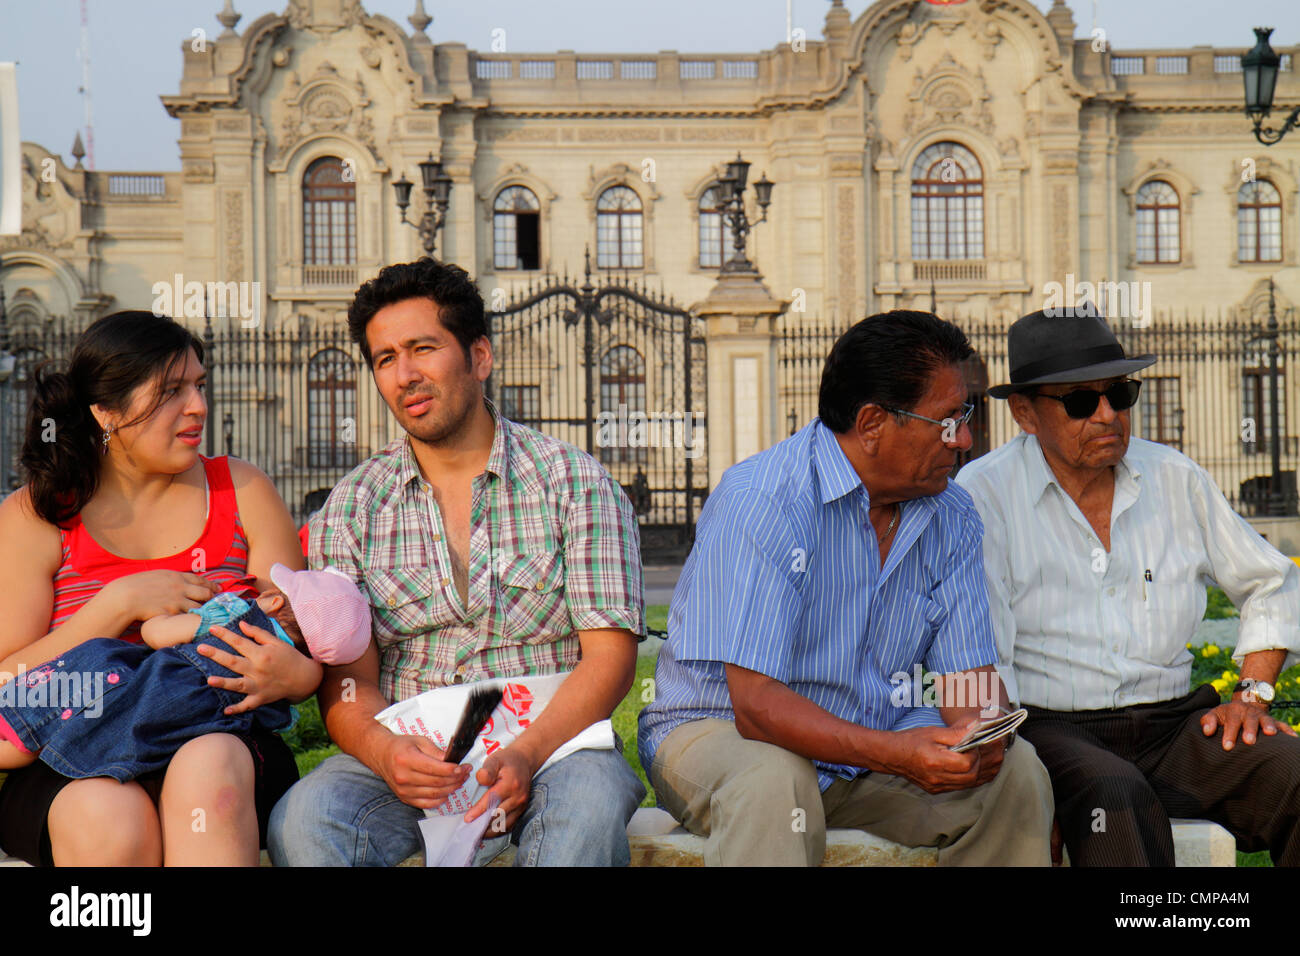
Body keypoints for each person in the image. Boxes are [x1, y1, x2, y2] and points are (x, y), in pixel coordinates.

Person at [637, 311, 1055, 866]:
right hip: (719, 731)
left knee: (1017, 775)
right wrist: (896, 754)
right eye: (948, 419)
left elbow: (965, 678)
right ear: (873, 422)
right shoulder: (764, 499)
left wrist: (981, 732)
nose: (966, 439)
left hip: (871, 747)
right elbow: (755, 707)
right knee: (775, 781)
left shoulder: (951, 513)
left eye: (967, 414)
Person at [269, 257, 647, 867]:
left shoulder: (574, 482)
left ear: (479, 356)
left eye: (423, 348)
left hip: (556, 750)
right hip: (412, 755)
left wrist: (526, 752)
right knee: (305, 818)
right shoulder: (353, 505)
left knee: (586, 814)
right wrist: (385, 751)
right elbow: (348, 683)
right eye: (386, 358)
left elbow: (610, 660)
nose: (405, 374)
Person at [956, 303, 1300, 866]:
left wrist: (1253, 693)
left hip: (1174, 728)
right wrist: (1013, 785)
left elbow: (1271, 581)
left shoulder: (1174, 476)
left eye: (1120, 394)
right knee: (1114, 798)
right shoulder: (983, 495)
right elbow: (983, 656)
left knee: (1294, 774)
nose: (1107, 414)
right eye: (1080, 401)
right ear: (1023, 413)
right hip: (1051, 734)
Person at [0, 310, 317, 867]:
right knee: (108, 818)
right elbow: (7, 681)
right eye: (171, 391)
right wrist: (116, 605)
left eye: (198, 385)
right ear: (106, 411)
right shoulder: (39, 513)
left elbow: (304, 637)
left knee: (208, 772)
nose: (198, 406)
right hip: (76, 753)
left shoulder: (242, 489)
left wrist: (298, 675)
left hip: (223, 741)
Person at [0, 564, 369, 779]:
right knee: (71, 734)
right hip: (170, 743)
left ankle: (14, 724)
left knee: (93, 665)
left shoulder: (231, 617)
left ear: (272, 600)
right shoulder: (278, 695)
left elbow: (154, 634)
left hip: (135, 688)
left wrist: (165, 617)